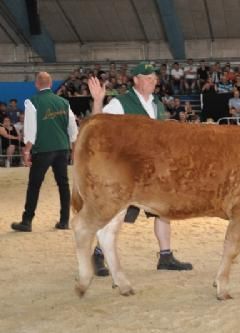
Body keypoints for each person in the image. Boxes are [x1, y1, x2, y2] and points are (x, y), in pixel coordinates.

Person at [88, 62, 192, 275]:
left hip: (155, 170)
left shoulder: (158, 104)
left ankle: (166, 256)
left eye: (154, 77)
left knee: (163, 211)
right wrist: (98, 100)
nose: (153, 81)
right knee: (115, 212)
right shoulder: (121, 103)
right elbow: (98, 124)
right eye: (147, 77)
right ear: (135, 80)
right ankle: (98, 255)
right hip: (127, 170)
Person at [11, 72, 78, 232]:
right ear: (50, 83)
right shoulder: (63, 102)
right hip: (62, 149)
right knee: (63, 184)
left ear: (36, 84)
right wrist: (73, 149)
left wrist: (26, 150)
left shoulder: (32, 102)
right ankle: (64, 220)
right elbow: (72, 128)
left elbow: (30, 129)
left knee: (34, 185)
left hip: (44, 149)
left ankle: (27, 221)